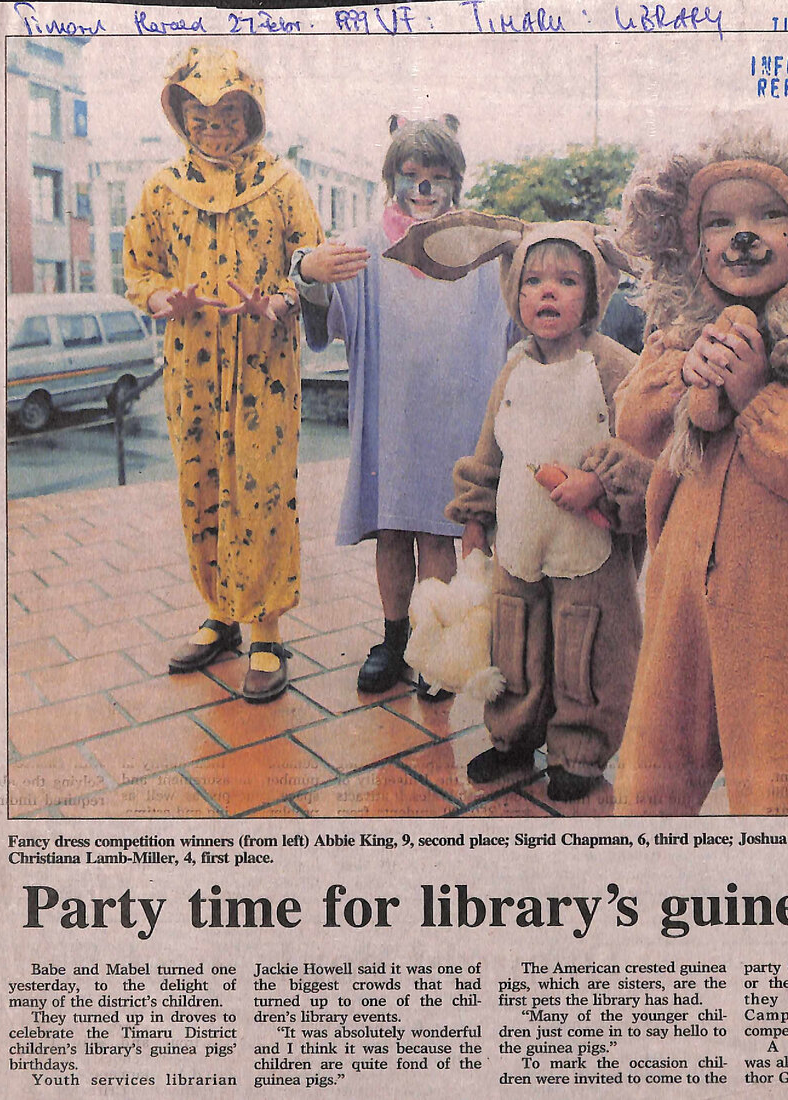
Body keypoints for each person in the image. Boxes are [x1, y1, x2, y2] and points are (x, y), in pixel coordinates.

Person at [612, 131, 788, 815]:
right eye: (721, 222)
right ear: (694, 241)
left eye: (768, 215)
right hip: (680, 579)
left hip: (779, 596)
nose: (743, 236)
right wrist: (684, 375)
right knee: (655, 757)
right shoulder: (686, 320)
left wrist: (755, 397)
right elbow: (634, 424)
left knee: (781, 766)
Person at [389, 212, 650, 800]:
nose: (547, 292)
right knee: (515, 641)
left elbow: (642, 448)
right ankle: (511, 738)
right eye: (532, 281)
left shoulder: (614, 366)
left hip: (592, 543)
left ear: (596, 293)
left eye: (567, 281)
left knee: (590, 646)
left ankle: (579, 750)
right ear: (514, 294)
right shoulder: (513, 367)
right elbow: (491, 448)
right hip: (518, 539)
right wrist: (476, 515)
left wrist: (599, 485)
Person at [124, 46, 323, 702]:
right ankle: (221, 614)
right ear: (179, 113)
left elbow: (310, 263)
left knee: (261, 489)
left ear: (251, 112)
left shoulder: (283, 182)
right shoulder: (161, 187)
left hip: (264, 362)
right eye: (201, 116)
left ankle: (264, 630)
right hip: (192, 365)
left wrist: (280, 300)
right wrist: (161, 300)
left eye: (228, 114)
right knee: (202, 484)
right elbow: (140, 268)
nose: (215, 128)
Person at [291, 115, 511, 700]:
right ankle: (392, 640)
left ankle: (431, 645)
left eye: (436, 176)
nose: (423, 188)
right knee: (392, 532)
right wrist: (308, 275)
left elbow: (514, 314)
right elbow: (328, 311)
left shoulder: (480, 247)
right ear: (391, 177)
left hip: (454, 416)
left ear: (456, 182)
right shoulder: (366, 243)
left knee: (439, 534)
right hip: (390, 415)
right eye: (411, 174)